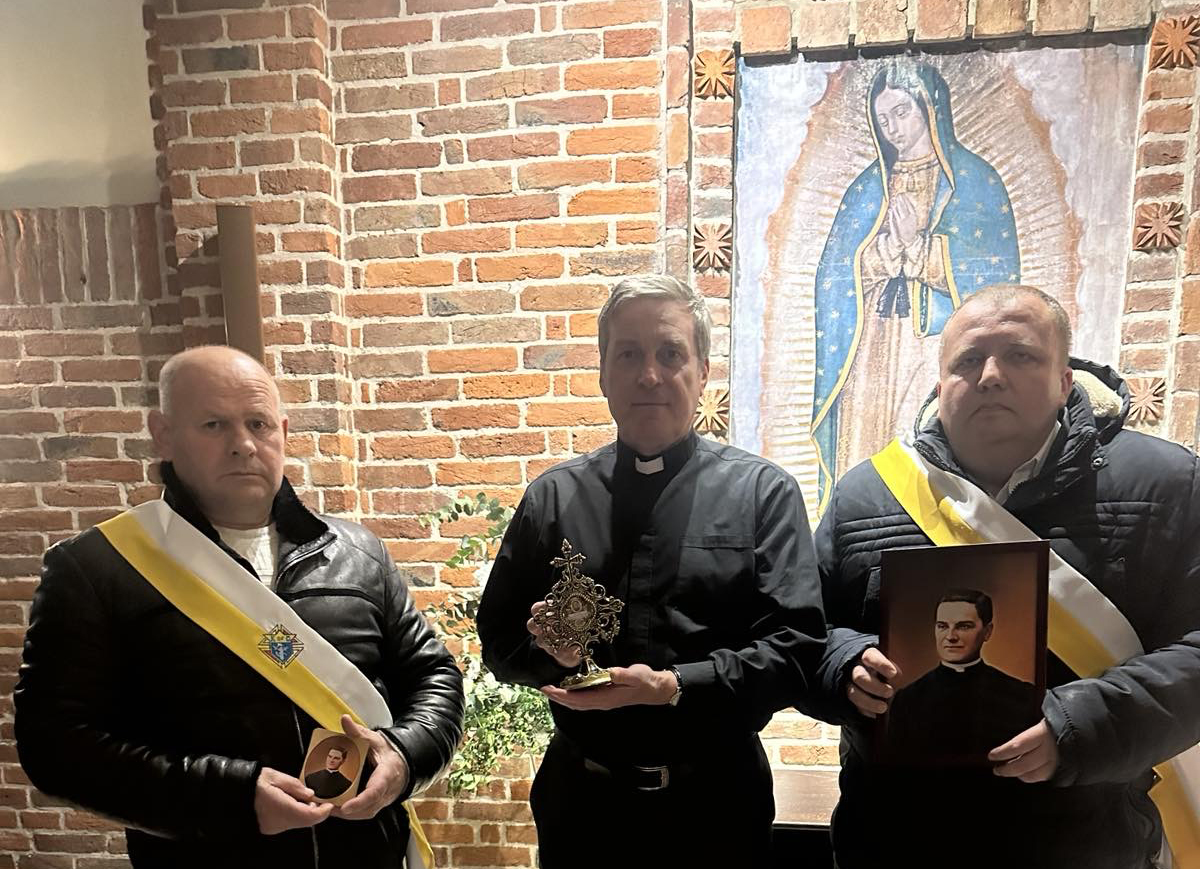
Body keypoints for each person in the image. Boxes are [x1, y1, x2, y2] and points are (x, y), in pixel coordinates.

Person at [15, 345, 465, 869]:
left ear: (284, 431)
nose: (243, 445)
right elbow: (56, 745)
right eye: (213, 425)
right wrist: (230, 795)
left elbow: (433, 675)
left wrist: (405, 754)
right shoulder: (95, 568)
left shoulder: (359, 553)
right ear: (163, 433)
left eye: (259, 423)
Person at [811, 284, 1200, 867]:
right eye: (967, 360)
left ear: (1065, 377)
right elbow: (801, 631)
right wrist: (844, 666)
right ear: (940, 383)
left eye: (1020, 355)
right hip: (896, 838)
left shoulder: (1166, 483)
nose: (990, 375)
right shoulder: (866, 494)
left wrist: (1086, 725)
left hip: (1082, 841)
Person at [476, 275, 827, 868]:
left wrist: (676, 685)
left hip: (718, 810)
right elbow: (498, 642)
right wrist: (551, 657)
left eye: (671, 354)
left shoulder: (764, 494)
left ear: (703, 371)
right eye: (629, 355)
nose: (649, 376)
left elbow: (797, 652)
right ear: (603, 374)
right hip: (582, 808)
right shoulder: (552, 499)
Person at [811, 60, 1020, 511]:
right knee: (868, 439)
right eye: (883, 119)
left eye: (902, 113)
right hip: (873, 346)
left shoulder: (973, 183)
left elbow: (998, 288)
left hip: (935, 345)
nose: (893, 130)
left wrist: (920, 251)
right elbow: (834, 273)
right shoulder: (869, 188)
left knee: (922, 438)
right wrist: (880, 256)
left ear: (930, 109)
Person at [885, 589, 1040, 766]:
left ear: (987, 631)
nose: (950, 637)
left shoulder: (1023, 695)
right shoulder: (907, 700)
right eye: (942, 626)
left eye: (964, 626)